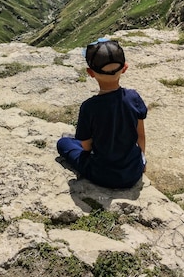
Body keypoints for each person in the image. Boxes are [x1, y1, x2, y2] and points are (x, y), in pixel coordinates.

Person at [57, 38, 147, 189]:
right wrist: (142, 160)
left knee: (63, 143)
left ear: (90, 73)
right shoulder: (134, 97)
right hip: (133, 172)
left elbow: (86, 147)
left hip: (102, 174)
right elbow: (141, 135)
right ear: (124, 68)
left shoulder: (89, 107)